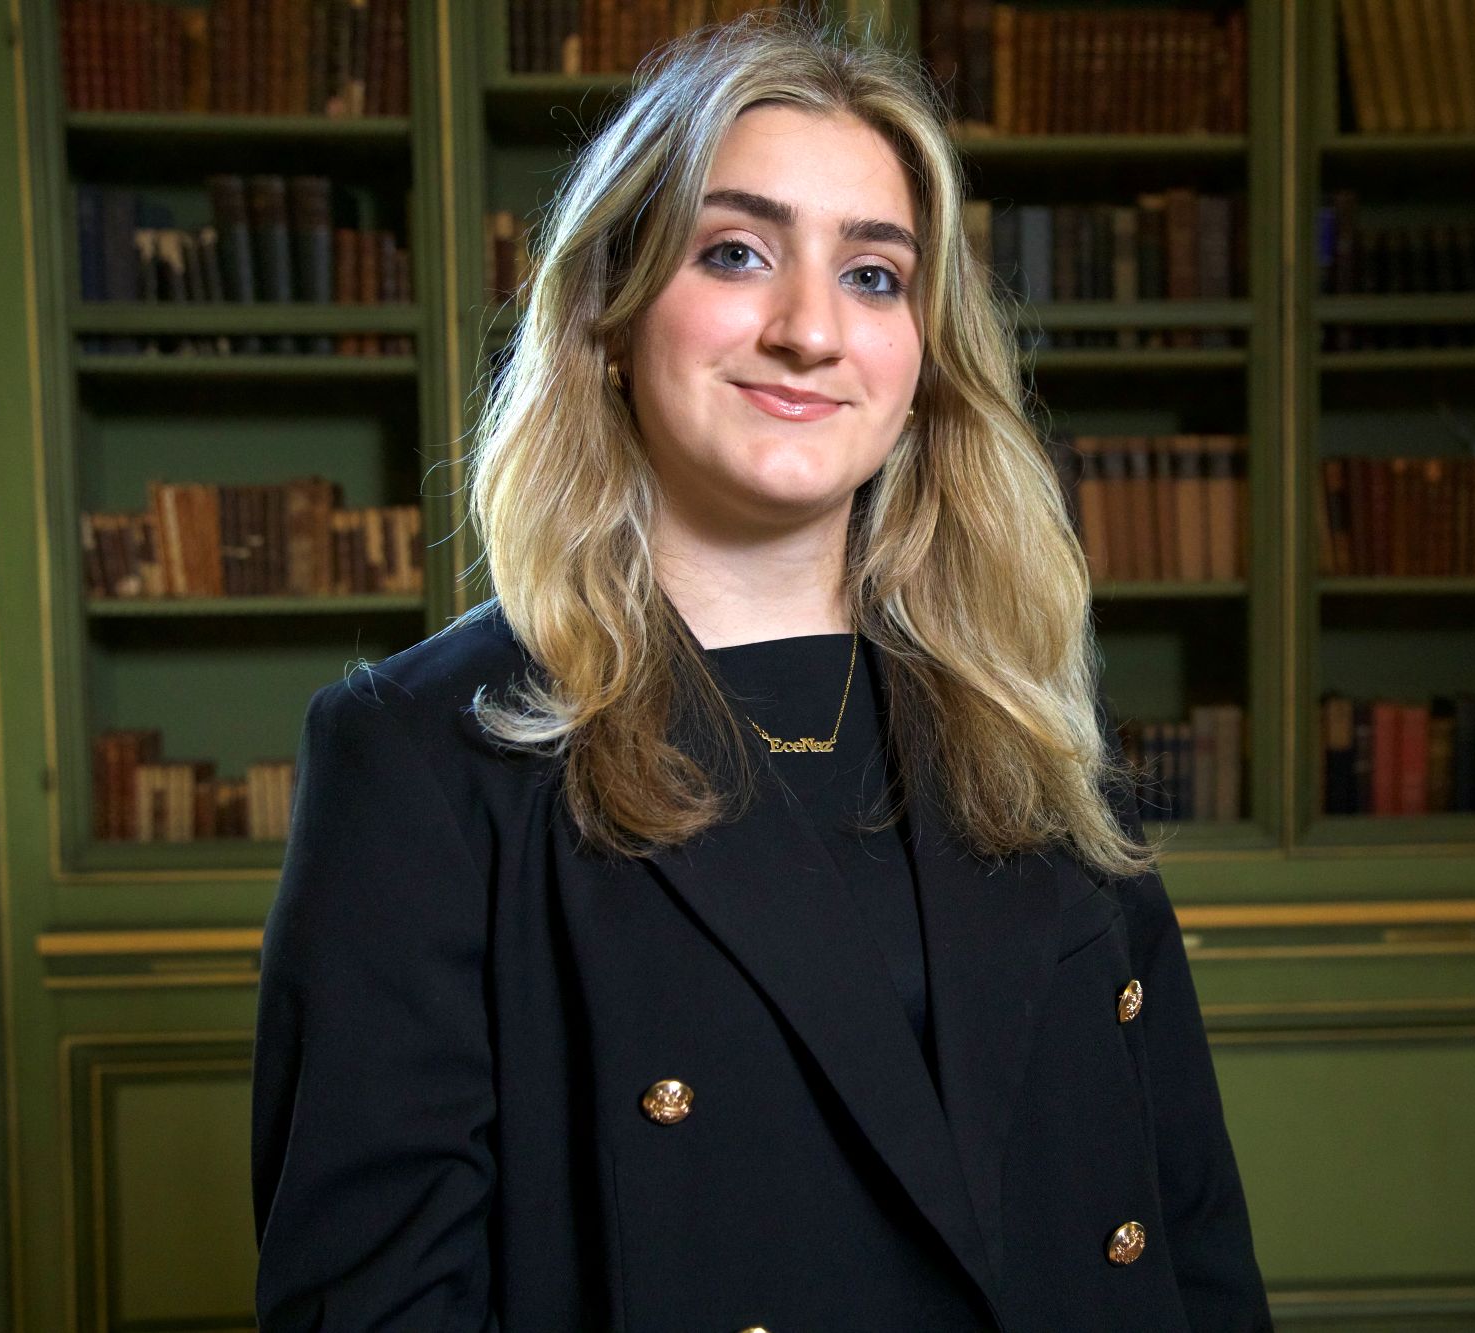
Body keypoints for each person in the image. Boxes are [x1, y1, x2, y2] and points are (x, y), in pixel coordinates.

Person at [249, 9, 1273, 1330]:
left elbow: (1190, 1239)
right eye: (736, 253)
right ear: (611, 317)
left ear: (924, 356)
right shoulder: (424, 754)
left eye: (874, 275)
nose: (810, 330)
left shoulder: (1028, 714)